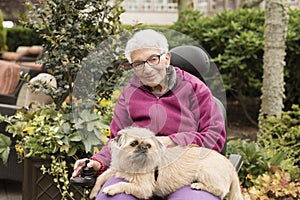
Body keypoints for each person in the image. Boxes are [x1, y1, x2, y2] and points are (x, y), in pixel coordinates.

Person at [72, 29, 226, 200]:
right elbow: (116, 140)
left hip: (184, 173)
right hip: (136, 171)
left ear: (166, 58)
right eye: (138, 63)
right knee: (112, 198)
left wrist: (172, 141)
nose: (147, 68)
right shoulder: (129, 94)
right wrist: (97, 162)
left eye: (153, 59)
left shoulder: (196, 89)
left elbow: (214, 137)